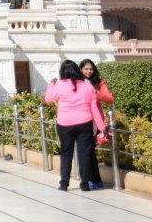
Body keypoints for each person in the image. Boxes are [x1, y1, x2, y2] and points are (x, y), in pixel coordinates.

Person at [44, 60, 106, 192]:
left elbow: (48, 99)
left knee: (66, 153)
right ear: (77, 71)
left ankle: (64, 184)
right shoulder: (87, 86)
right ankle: (85, 184)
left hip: (65, 124)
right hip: (84, 123)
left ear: (62, 72)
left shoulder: (59, 85)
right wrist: (101, 127)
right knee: (85, 154)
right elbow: (94, 108)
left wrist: (51, 85)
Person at [79, 58, 114, 126]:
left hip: (95, 120)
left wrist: (96, 92)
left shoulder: (99, 83)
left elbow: (110, 100)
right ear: (81, 70)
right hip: (79, 118)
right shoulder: (76, 82)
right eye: (86, 69)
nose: (89, 71)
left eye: (91, 69)